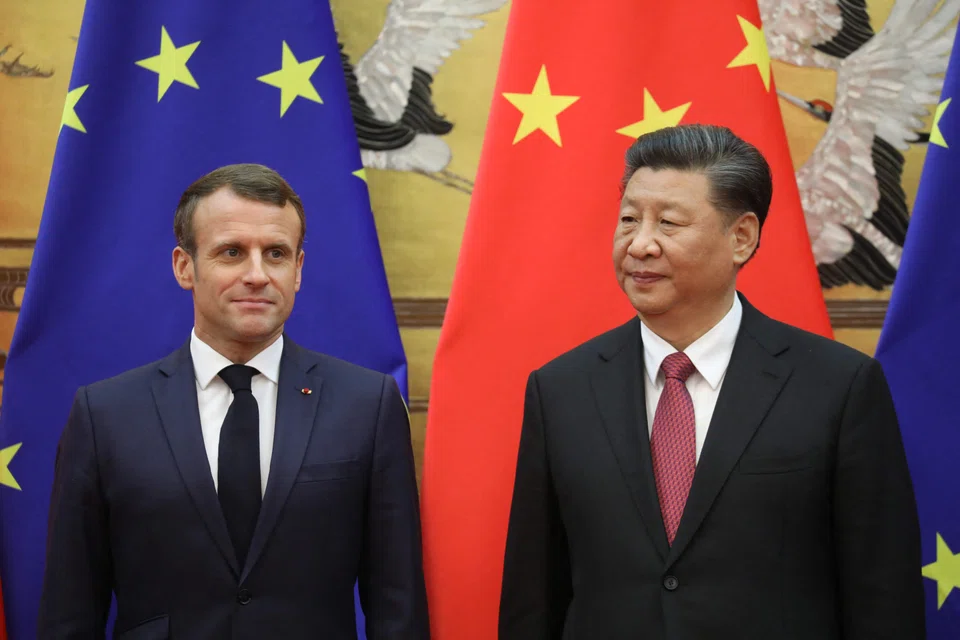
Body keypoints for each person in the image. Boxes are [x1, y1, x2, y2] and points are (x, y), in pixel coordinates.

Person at [498, 124, 924, 639]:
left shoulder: (839, 386)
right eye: (629, 219)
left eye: (669, 223)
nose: (641, 244)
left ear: (741, 237)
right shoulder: (561, 389)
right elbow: (533, 597)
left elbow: (882, 597)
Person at [38, 164, 429, 639]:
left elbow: (398, 606)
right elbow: (70, 612)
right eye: (232, 252)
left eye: (276, 254)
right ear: (186, 266)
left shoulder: (367, 405)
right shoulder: (105, 416)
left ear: (298, 270)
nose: (257, 275)